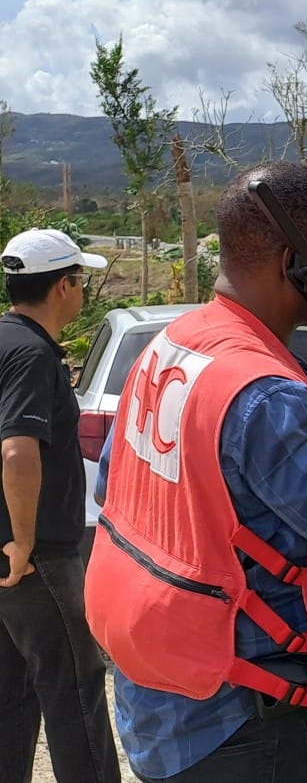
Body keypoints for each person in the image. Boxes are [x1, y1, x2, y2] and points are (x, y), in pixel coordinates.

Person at [85, 162, 307, 782]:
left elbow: (116, 488)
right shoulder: (266, 397)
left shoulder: (174, 345)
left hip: (162, 698)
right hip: (247, 728)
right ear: (297, 263)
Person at [0, 229, 121, 783]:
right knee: (75, 685)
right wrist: (25, 540)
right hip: (35, 555)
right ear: (63, 287)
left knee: (12, 688)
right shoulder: (31, 356)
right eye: (80, 280)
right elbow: (18, 449)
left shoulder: (5, 340)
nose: (81, 291)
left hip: (8, 556)